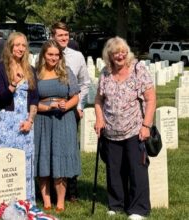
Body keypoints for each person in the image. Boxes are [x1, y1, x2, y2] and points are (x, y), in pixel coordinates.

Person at [94, 36, 156, 220]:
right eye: (115, 53)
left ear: (127, 53)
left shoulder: (138, 69)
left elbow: (151, 99)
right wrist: (99, 119)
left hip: (134, 128)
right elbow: (99, 99)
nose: (120, 56)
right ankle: (116, 204)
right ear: (109, 56)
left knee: (137, 169)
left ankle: (139, 208)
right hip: (111, 130)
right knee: (114, 169)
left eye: (123, 52)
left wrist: (146, 125)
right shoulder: (105, 73)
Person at [34, 40, 81, 212]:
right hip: (42, 121)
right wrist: (46, 107)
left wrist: (67, 106)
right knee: (44, 158)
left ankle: (60, 200)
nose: (54, 58)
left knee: (61, 158)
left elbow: (75, 96)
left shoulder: (66, 72)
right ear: (43, 55)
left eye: (56, 55)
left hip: (64, 119)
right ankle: (46, 200)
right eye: (50, 54)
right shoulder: (36, 73)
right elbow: (31, 101)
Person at [0, 32, 38, 203]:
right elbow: (0, 98)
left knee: (25, 161)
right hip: (6, 122)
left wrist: (30, 120)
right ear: (10, 46)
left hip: (25, 122)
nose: (20, 48)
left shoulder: (30, 69)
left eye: (23, 45)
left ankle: (26, 200)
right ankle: (4, 201)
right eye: (17, 45)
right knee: (6, 162)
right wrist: (13, 84)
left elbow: (34, 99)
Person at [50, 21, 91, 202]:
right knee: (51, 148)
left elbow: (85, 83)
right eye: (60, 35)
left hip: (71, 111)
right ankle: (52, 190)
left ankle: (71, 190)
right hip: (49, 112)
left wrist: (78, 106)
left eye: (66, 35)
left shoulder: (77, 56)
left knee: (70, 150)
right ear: (53, 36)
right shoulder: (45, 55)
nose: (64, 38)